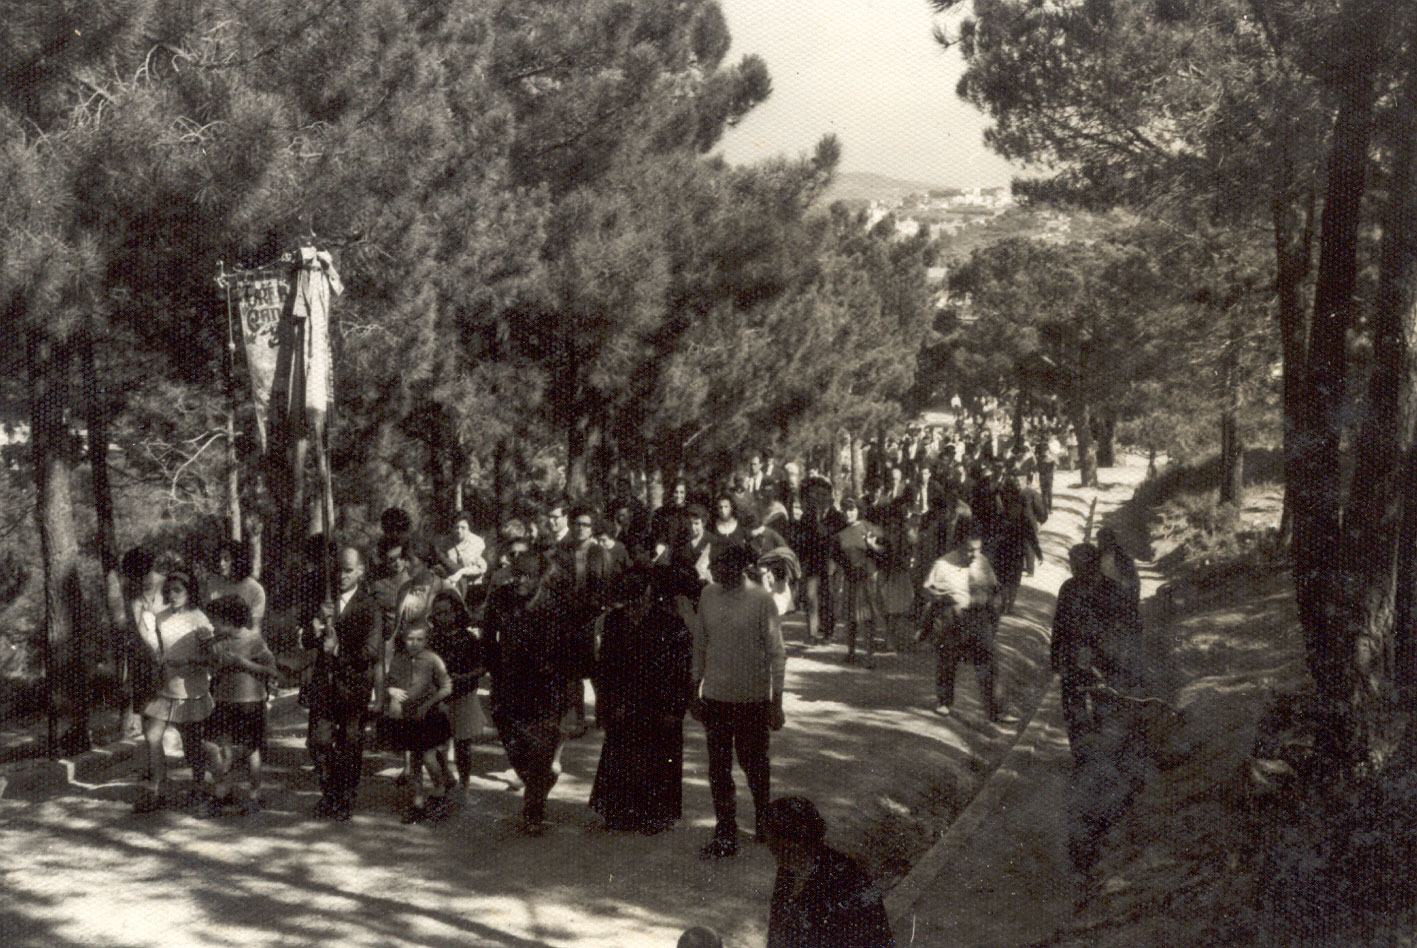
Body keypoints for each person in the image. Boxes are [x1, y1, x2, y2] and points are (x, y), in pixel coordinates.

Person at [690, 544, 787, 858]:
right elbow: (700, 646)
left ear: (740, 567)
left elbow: (777, 653)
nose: (715, 571)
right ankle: (725, 830)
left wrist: (777, 701)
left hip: (751, 699)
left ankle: (763, 820)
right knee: (718, 768)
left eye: (722, 566)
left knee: (754, 764)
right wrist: (694, 691)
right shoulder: (707, 596)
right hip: (716, 697)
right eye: (713, 566)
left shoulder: (761, 600)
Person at [589, 566, 695, 833]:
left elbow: (682, 670)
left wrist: (675, 708)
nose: (634, 608)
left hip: (660, 704)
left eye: (639, 600)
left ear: (649, 596)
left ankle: (657, 814)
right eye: (629, 602)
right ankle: (620, 812)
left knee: (659, 758)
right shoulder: (612, 621)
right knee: (621, 755)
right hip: (623, 703)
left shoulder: (671, 624)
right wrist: (608, 705)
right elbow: (605, 668)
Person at [486, 552, 575, 836]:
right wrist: (493, 669)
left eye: (527, 576)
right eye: (517, 574)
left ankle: (533, 808)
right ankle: (540, 781)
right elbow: (487, 638)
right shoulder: (501, 598)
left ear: (540, 577)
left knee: (538, 751)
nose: (520, 581)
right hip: (507, 687)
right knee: (515, 750)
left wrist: (568, 694)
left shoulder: (557, 604)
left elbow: (572, 652)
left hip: (545, 689)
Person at [302, 546, 384, 821]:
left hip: (353, 685)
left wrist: (338, 649)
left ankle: (344, 797)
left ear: (361, 571)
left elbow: (370, 652)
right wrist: (313, 631)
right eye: (338, 569)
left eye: (348, 570)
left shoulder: (369, 606)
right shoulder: (324, 602)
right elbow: (306, 642)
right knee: (318, 741)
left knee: (350, 742)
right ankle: (329, 792)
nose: (341, 576)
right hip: (324, 685)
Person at [133, 569, 216, 813]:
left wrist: (190, 662)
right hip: (166, 687)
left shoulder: (200, 619)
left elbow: (211, 658)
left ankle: (199, 787)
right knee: (152, 736)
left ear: (190, 592)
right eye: (169, 590)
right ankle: (156, 788)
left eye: (179, 590)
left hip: (191, 689)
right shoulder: (160, 617)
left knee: (192, 744)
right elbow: (158, 648)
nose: (173, 594)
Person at [762, 796, 895, 948]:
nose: (769, 847)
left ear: (790, 844)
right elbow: (778, 930)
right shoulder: (788, 871)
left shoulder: (846, 879)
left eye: (771, 839)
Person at [921, 535, 1016, 724]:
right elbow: (926, 590)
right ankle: (944, 702)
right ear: (959, 547)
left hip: (977, 618)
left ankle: (996, 710)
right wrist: (940, 597)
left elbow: (994, 588)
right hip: (951, 617)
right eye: (970, 549)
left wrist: (993, 613)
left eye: (978, 549)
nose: (974, 554)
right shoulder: (942, 564)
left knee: (988, 661)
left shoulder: (982, 562)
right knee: (947, 659)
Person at [201, 595, 277, 817]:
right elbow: (213, 668)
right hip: (224, 700)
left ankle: (254, 794)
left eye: (215, 619)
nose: (212, 624)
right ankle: (223, 792)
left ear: (229, 619)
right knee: (218, 746)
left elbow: (271, 670)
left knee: (250, 749)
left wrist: (242, 663)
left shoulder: (253, 640)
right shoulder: (218, 641)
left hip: (250, 702)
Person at [383, 623, 455, 822]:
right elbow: (390, 681)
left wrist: (428, 704)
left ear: (427, 640)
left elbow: (446, 687)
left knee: (428, 757)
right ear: (404, 639)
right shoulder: (399, 659)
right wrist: (390, 691)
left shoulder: (432, 660)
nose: (414, 643)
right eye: (410, 639)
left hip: (429, 716)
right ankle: (418, 801)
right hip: (408, 717)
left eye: (419, 639)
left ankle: (440, 789)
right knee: (413, 760)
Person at [426, 589, 486, 789]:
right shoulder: (432, 639)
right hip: (439, 697)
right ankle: (446, 774)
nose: (443, 617)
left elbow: (482, 667)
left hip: (463, 695)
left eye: (447, 612)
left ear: (457, 612)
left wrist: (465, 677)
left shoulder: (468, 639)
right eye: (438, 613)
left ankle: (465, 781)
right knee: (438, 743)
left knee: (463, 744)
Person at [832, 498, 887, 668]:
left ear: (858, 510)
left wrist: (873, 546)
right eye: (845, 509)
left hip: (867, 577)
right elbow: (838, 560)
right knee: (850, 618)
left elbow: (885, 550)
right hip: (849, 578)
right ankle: (851, 652)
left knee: (867, 617)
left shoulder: (869, 527)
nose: (848, 513)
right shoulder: (840, 534)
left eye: (852, 509)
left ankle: (869, 655)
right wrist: (838, 582)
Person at [206, 540, 266, 632]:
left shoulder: (255, 589)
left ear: (238, 560)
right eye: (219, 559)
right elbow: (208, 620)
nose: (221, 564)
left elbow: (256, 628)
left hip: (243, 641)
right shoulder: (212, 584)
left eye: (226, 559)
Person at [443, 513, 488, 598]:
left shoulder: (478, 542)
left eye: (463, 528)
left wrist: (461, 572)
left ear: (469, 528)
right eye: (456, 527)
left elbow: (481, 568)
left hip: (474, 587)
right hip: (453, 588)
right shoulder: (446, 543)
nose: (459, 531)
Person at [1096, 527, 1141, 606]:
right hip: (1099, 597)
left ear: (1113, 542)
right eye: (1100, 541)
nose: (1102, 544)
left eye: (1106, 540)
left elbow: (1133, 583)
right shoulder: (1095, 557)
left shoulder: (1124, 559)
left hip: (1118, 598)